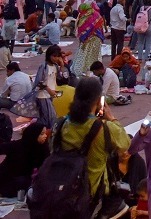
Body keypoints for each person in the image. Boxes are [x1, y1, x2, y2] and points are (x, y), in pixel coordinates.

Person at [55, 77, 131, 207]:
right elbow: (125, 143)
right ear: (98, 101)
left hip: (62, 187)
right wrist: (112, 118)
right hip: (93, 192)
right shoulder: (105, 128)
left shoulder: (61, 124)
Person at [0, 120, 50, 198]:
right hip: (1, 177)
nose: (45, 136)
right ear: (34, 135)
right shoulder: (17, 145)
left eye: (45, 133)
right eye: (42, 134)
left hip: (18, 180)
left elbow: (44, 169)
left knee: (22, 184)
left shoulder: (43, 149)